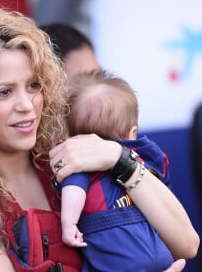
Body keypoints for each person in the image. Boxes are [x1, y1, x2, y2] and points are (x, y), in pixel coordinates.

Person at [0, 6, 199, 272]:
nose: (27, 104)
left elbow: (186, 243)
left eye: (33, 85)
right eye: (4, 92)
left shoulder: (70, 155)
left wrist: (118, 158)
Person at [60, 69, 177, 271]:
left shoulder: (80, 164)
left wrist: (69, 224)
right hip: (161, 255)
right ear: (133, 132)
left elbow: (74, 191)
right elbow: (165, 196)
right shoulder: (145, 160)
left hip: (115, 258)